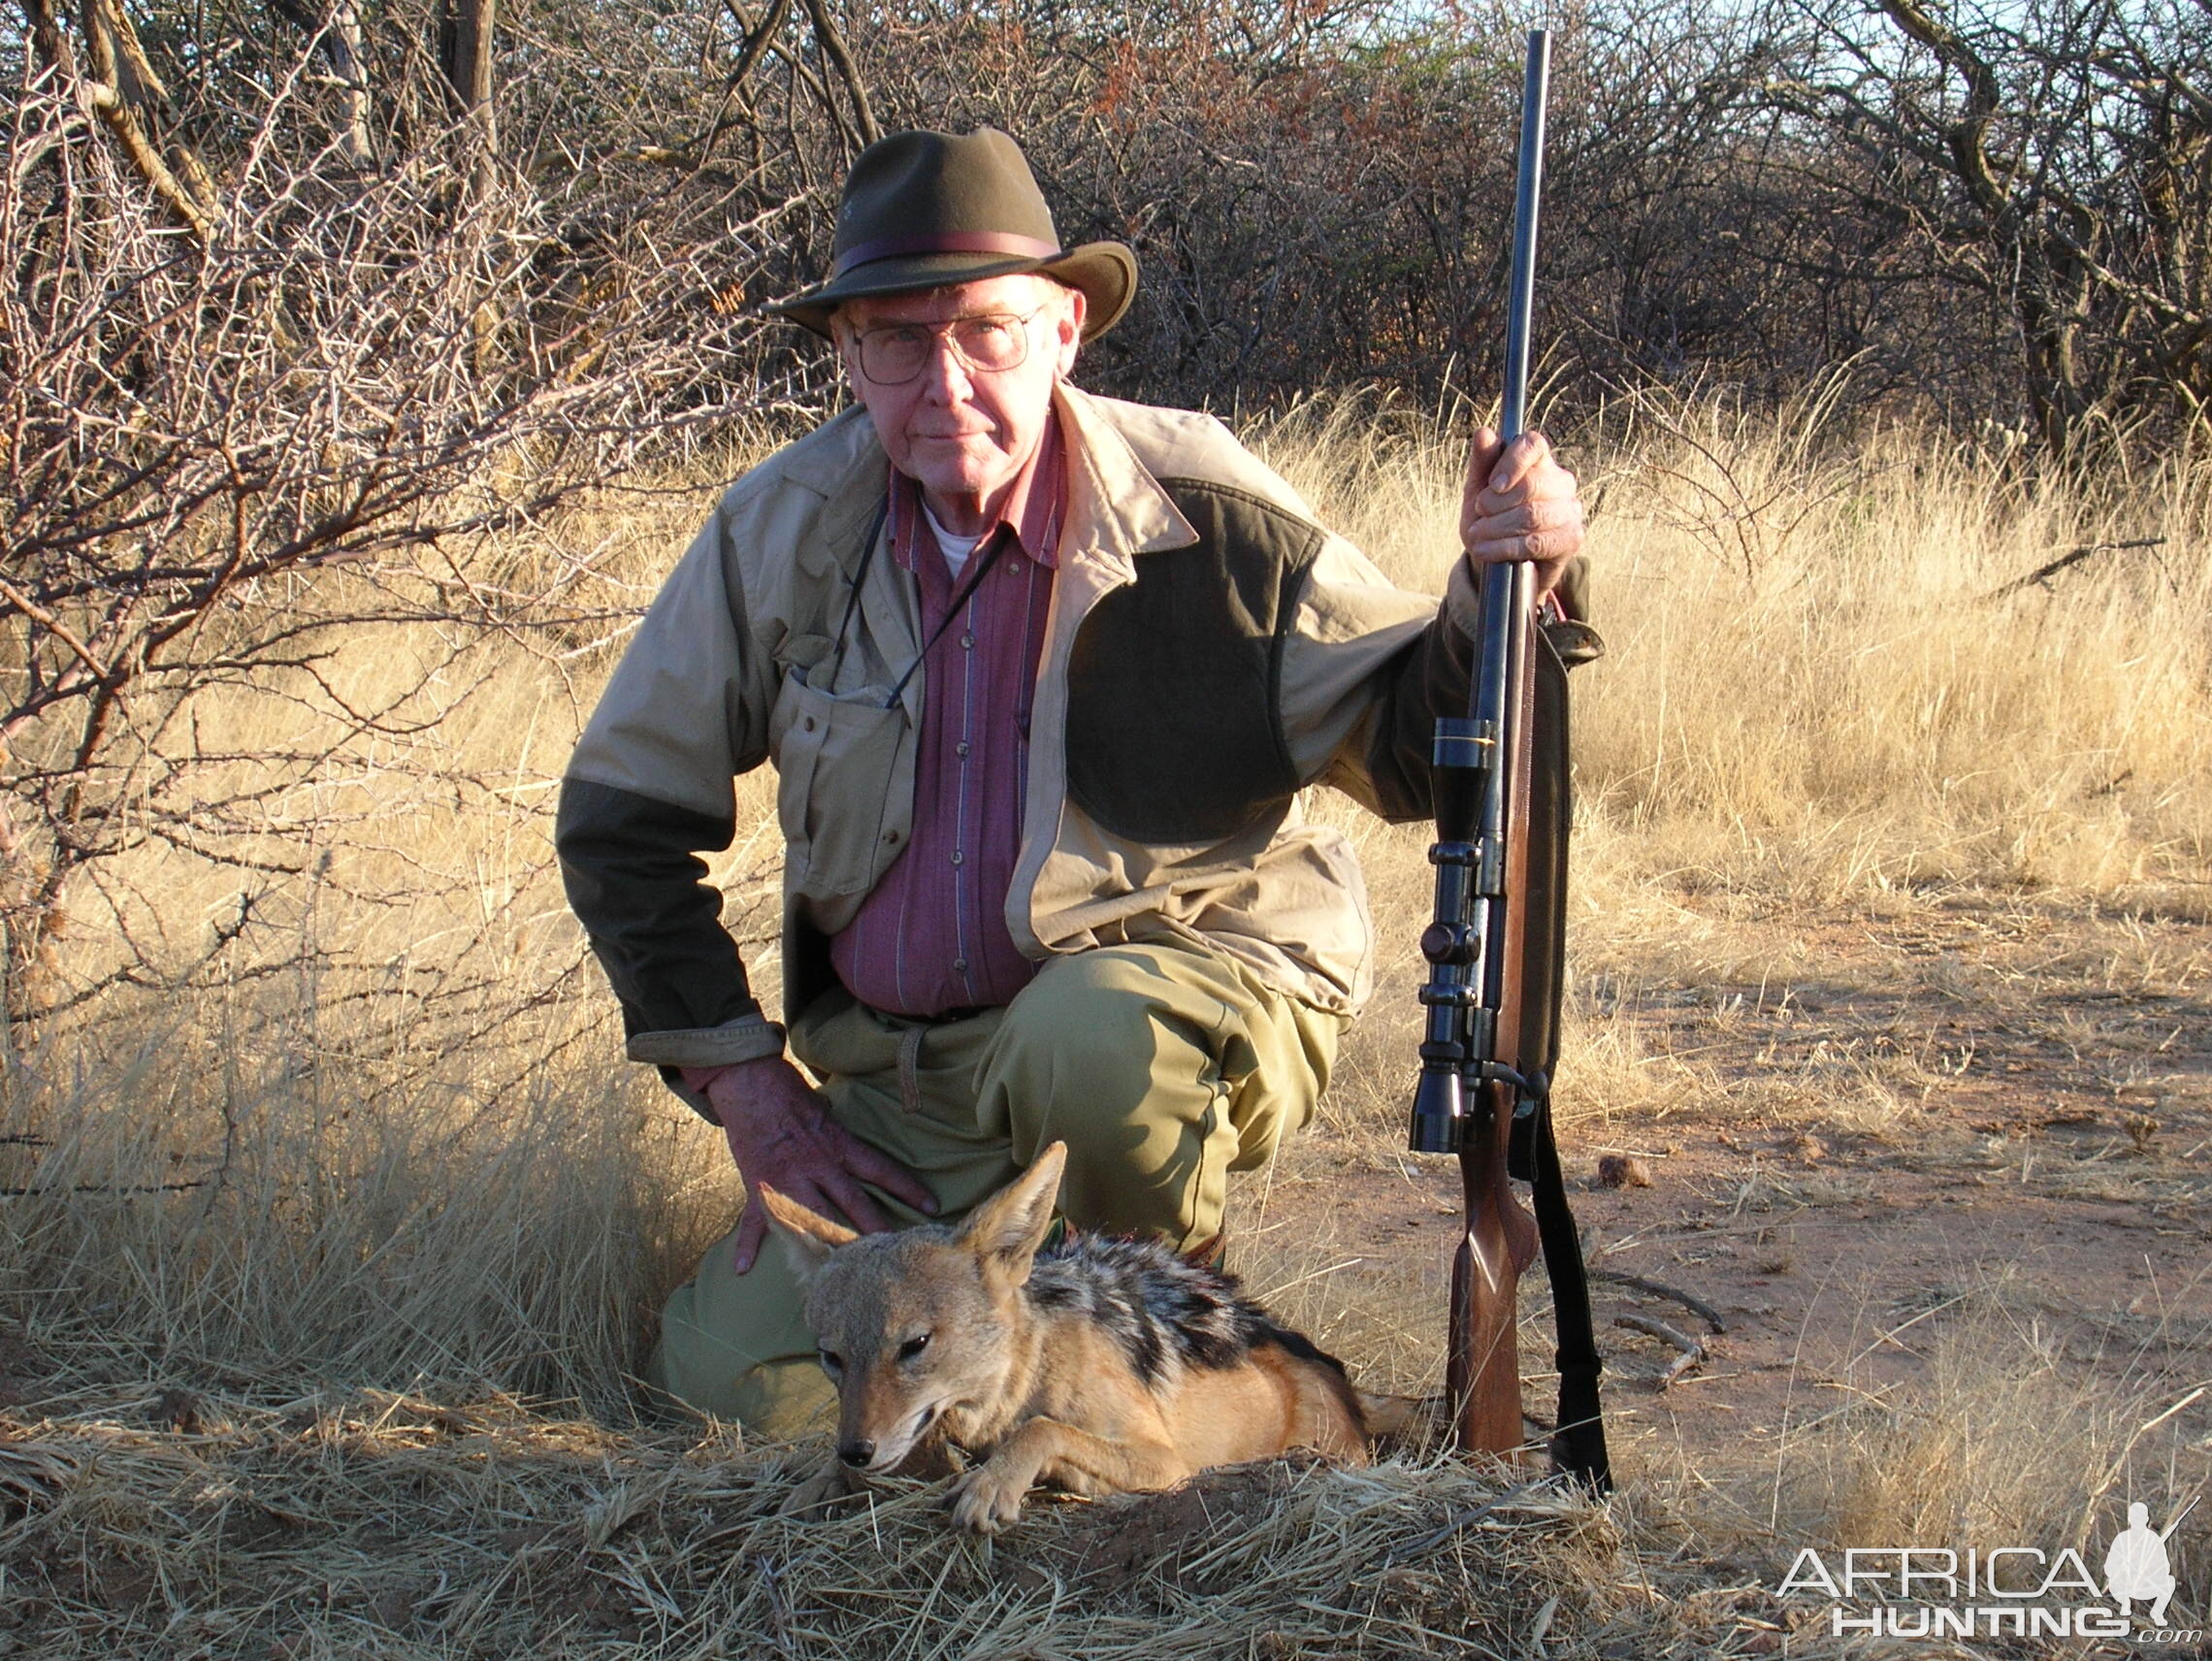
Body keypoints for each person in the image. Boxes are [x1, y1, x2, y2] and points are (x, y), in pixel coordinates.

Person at [556, 126, 1591, 1432]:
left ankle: (1192, 1370)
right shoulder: (778, 531)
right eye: (894, 339)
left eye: (985, 331)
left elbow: (1415, 743)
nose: (943, 383)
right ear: (847, 358)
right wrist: (754, 1090)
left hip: (1142, 1023)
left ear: (1063, 332)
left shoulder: (1212, 513)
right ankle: (1024, 1417)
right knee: (736, 1393)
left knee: (1088, 1042)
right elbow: (621, 821)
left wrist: (1514, 581)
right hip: (902, 1085)